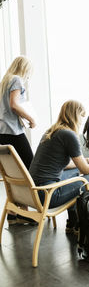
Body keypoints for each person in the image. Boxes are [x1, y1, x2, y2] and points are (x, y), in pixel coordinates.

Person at [29, 100, 89, 235]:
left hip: (34, 191)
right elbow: (85, 170)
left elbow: (65, 164)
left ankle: (73, 222)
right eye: (81, 117)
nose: (81, 121)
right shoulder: (69, 134)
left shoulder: (53, 131)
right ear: (76, 115)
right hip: (48, 195)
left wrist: (88, 160)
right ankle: (88, 222)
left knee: (74, 172)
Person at [0, 56, 37, 225]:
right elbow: (14, 105)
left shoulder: (4, 81)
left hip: (2, 132)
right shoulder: (16, 80)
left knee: (12, 173)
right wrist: (31, 118)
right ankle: (24, 212)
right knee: (30, 169)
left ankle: (14, 214)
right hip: (14, 133)